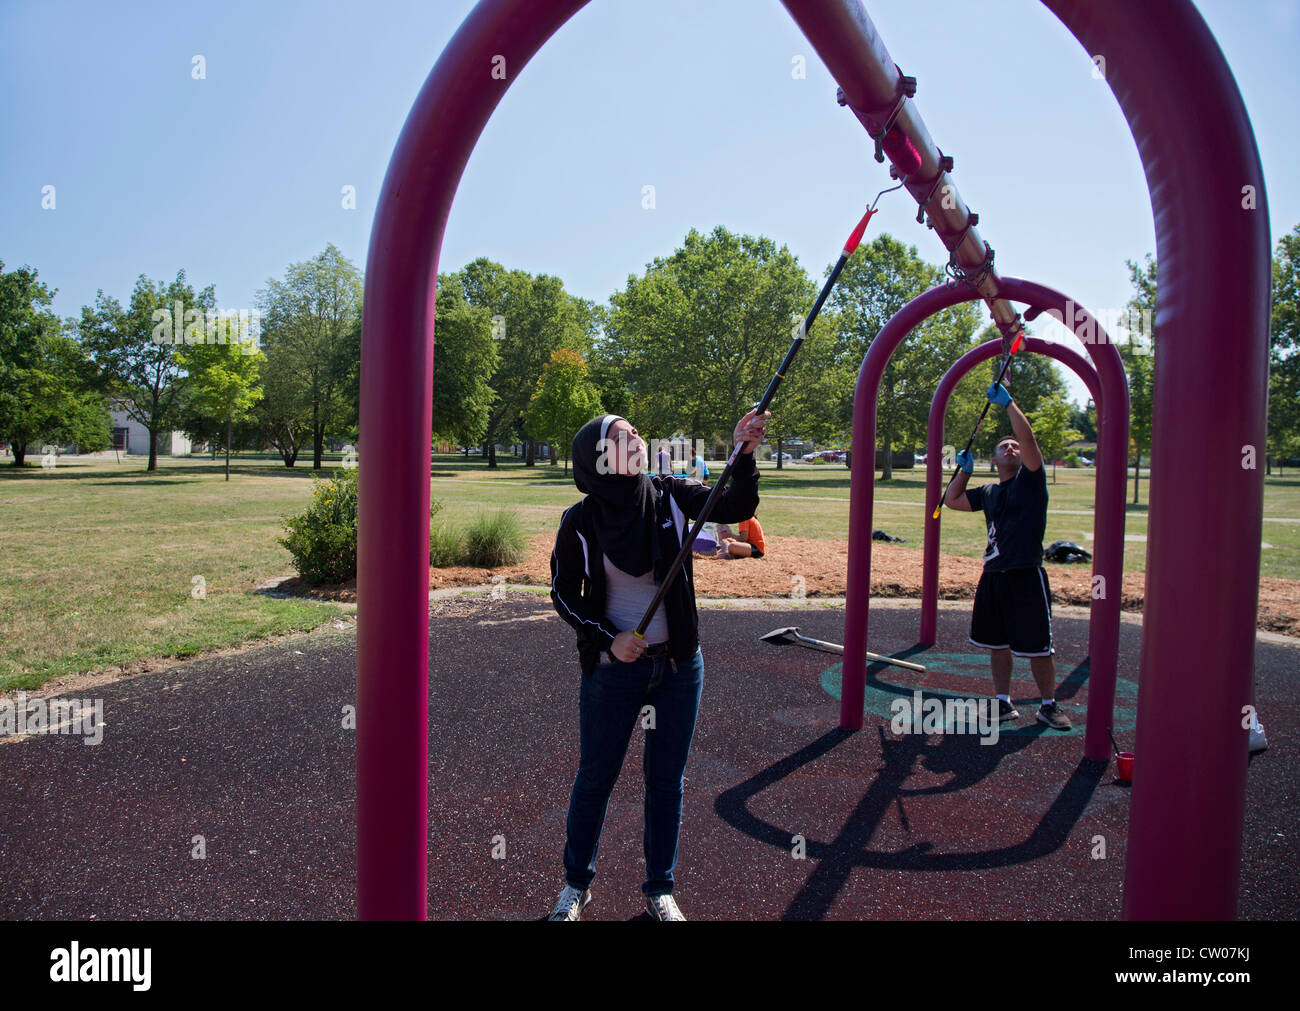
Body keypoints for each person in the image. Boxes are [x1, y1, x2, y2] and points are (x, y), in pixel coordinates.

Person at [547, 408, 770, 920]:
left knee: (667, 782)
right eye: (624, 435)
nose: (638, 437)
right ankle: (575, 884)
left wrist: (744, 452)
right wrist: (609, 638)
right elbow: (562, 593)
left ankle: (659, 890)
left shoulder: (669, 492)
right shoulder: (580, 521)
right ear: (600, 458)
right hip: (613, 672)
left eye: (635, 431)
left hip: (678, 669)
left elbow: (734, 502)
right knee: (595, 778)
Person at [943, 381, 1070, 731]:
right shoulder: (989, 491)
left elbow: (1028, 440)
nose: (1012, 447)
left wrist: (1009, 404)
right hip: (994, 575)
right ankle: (1002, 702)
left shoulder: (1031, 480)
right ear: (994, 460)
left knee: (1039, 647)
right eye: (1004, 446)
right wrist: (964, 470)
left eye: (1014, 445)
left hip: (1026, 574)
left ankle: (1048, 704)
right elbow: (952, 501)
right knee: (996, 643)